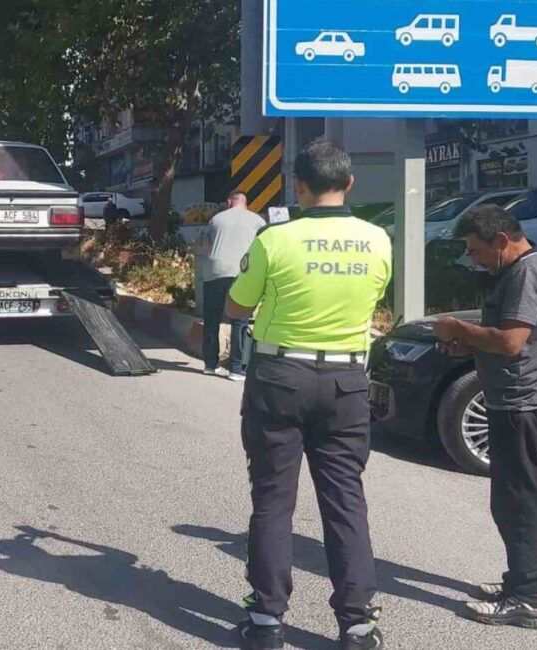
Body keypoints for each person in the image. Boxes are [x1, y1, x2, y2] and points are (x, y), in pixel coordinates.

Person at [225, 140, 392, 650]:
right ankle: (358, 623)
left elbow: (236, 307)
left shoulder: (276, 240)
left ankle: (267, 621)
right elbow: (376, 298)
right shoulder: (378, 240)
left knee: (273, 499)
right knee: (345, 500)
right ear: (349, 184)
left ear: (297, 185)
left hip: (280, 377)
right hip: (346, 381)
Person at [432, 205, 537, 630]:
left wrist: (457, 328)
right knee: (526, 494)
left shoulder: (528, 273)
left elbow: (511, 342)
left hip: (523, 403)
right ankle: (534, 584)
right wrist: (471, 346)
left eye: (476, 250)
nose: (473, 259)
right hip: (522, 400)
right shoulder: (524, 269)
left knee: (515, 500)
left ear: (502, 240)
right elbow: (513, 340)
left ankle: (524, 600)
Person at [196, 190, 264, 380]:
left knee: (212, 319)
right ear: (246, 203)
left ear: (228, 202)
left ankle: (210, 365)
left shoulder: (216, 219)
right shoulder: (257, 221)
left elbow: (204, 244)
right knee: (239, 322)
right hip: (241, 274)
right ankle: (235, 369)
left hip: (214, 273)